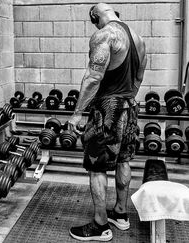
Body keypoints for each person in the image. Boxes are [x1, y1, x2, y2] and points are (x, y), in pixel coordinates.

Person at [68, 3, 147, 242]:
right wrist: (127, 100)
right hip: (130, 106)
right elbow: (139, 77)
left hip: (107, 110)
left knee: (96, 166)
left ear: (95, 16)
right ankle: (120, 215)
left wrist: (78, 112)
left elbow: (93, 77)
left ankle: (100, 226)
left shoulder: (104, 35)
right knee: (123, 159)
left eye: (94, 21)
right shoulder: (138, 38)